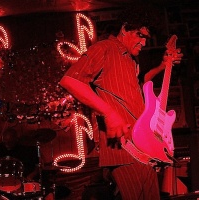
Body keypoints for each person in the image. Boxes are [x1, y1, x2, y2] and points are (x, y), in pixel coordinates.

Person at [59, 5, 183, 200]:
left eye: (146, 39)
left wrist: (164, 65)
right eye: (140, 36)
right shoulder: (104, 49)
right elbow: (70, 80)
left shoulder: (132, 60)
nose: (143, 43)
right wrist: (109, 113)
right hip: (125, 149)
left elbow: (141, 83)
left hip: (145, 145)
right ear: (125, 28)